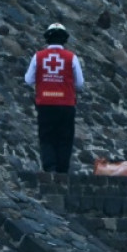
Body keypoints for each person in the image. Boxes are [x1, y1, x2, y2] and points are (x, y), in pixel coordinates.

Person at [24, 23, 85, 173]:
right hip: (66, 104)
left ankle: (50, 167)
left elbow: (28, 80)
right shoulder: (72, 57)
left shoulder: (38, 56)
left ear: (47, 38)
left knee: (46, 137)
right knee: (65, 138)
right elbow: (80, 83)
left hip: (45, 104)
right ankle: (62, 170)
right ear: (64, 39)